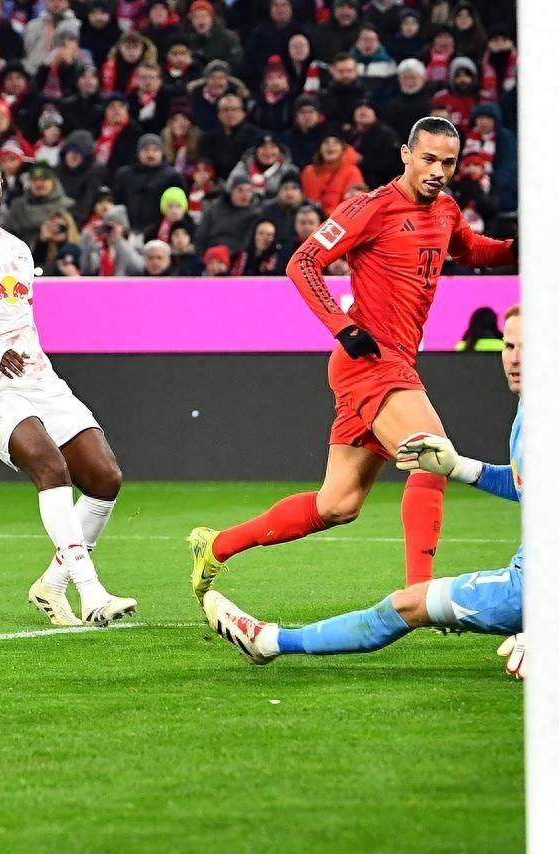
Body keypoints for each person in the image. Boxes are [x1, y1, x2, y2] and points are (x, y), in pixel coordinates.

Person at [202, 306, 559, 678]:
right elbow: (529, 488)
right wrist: (458, 467)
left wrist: (543, 617)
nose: (515, 357)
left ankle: (268, 641)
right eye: (509, 345)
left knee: (405, 605)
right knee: (553, 637)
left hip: (555, 580)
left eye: (529, 347)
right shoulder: (552, 402)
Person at [185, 116, 519, 601]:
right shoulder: (371, 207)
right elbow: (302, 262)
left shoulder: (446, 209)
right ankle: (420, 595)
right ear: (406, 155)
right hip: (370, 361)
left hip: (393, 363)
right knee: (432, 457)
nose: (438, 171)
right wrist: (342, 327)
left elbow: (470, 251)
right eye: (428, 159)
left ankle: (217, 546)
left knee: (337, 505)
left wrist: (517, 250)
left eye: (448, 163)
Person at [0, 149, 136, 627]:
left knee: (105, 477)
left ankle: (51, 585)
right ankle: (92, 593)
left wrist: (22, 360)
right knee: (50, 467)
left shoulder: (17, 248)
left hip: (35, 375)